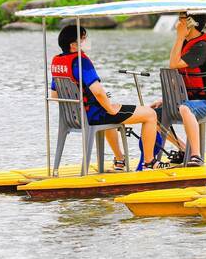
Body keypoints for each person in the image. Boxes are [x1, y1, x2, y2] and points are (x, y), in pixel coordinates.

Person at [50, 25, 162, 171]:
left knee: (109, 109)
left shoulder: (58, 62)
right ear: (73, 45)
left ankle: (120, 161)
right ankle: (149, 162)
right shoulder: (81, 61)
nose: (86, 40)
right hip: (93, 116)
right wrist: (110, 109)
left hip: (73, 117)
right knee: (150, 114)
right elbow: (98, 92)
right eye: (83, 38)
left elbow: (54, 95)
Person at [150, 14, 206, 167]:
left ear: (191, 24)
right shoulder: (186, 44)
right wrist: (166, 100)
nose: (177, 23)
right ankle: (182, 148)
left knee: (185, 108)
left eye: (181, 20)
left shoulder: (203, 47)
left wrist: (179, 37)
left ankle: (196, 155)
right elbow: (178, 77)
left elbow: (173, 64)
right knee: (152, 115)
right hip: (187, 99)